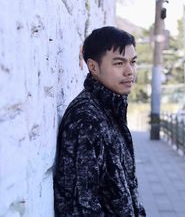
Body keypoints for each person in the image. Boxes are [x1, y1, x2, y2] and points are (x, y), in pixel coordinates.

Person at [53, 26, 146, 217]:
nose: (130, 72)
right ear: (93, 67)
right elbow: (80, 206)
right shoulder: (86, 119)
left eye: (133, 62)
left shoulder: (109, 108)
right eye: (119, 63)